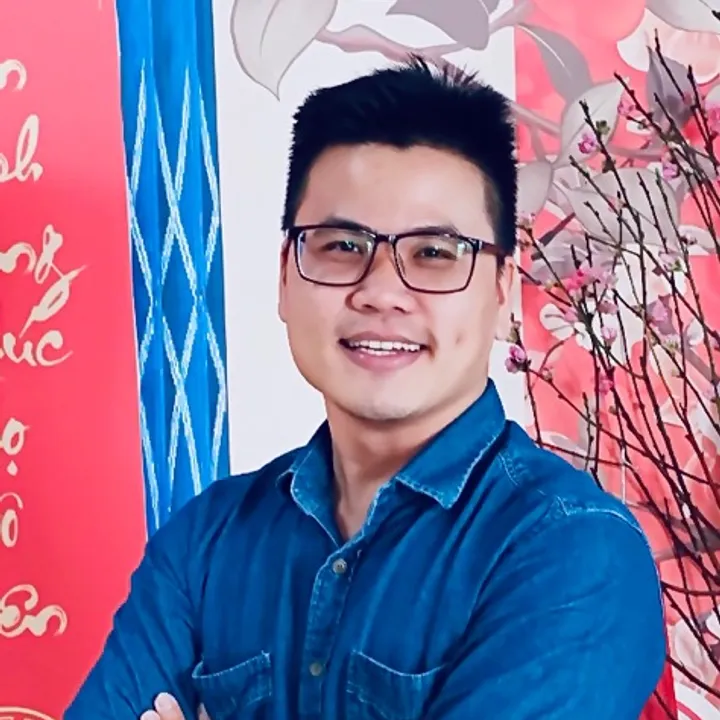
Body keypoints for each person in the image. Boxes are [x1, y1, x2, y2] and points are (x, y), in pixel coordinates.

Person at [65, 57, 666, 720]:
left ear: (502, 288)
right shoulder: (204, 543)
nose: (381, 292)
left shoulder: (570, 550)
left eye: (434, 253)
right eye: (342, 246)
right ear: (285, 276)